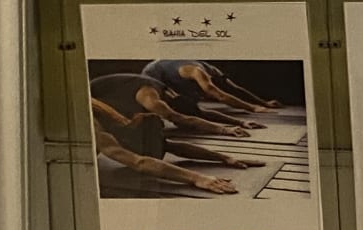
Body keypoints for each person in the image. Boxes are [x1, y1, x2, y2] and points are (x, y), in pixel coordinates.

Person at [90, 72, 265, 196]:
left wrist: (225, 158)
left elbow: (172, 145)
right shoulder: (99, 126)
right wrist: (197, 178)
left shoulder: (122, 119)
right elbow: (139, 162)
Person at [140, 57, 281, 122]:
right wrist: (252, 108)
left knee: (189, 106)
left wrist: (264, 103)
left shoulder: (213, 72)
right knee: (177, 108)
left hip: (174, 74)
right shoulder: (196, 72)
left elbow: (235, 89)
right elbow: (220, 96)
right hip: (154, 72)